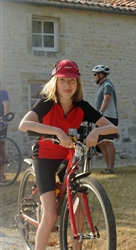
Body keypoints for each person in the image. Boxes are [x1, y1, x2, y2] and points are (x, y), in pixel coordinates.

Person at [18, 59, 118, 250]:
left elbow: (112, 127)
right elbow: (24, 124)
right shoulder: (47, 103)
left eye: (72, 81)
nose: (67, 85)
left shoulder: (82, 106)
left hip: (68, 156)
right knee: (50, 214)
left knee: (78, 204)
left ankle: (75, 246)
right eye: (63, 80)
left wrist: (96, 132)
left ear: (78, 83)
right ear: (55, 81)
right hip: (45, 156)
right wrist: (56, 131)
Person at [92, 65, 118, 174]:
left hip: (109, 117)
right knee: (100, 143)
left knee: (108, 142)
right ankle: (108, 166)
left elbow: (107, 98)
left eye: (95, 75)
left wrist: (101, 112)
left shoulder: (107, 84)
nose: (94, 77)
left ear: (101, 75)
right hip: (102, 117)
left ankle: (111, 168)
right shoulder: (101, 85)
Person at [0, 89, 10, 183]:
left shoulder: (2, 92)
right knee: (1, 148)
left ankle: (1, 176)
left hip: (1, 123)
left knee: (1, 149)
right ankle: (1, 176)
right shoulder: (3, 92)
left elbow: (6, 104)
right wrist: (5, 118)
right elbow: (6, 104)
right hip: (2, 123)